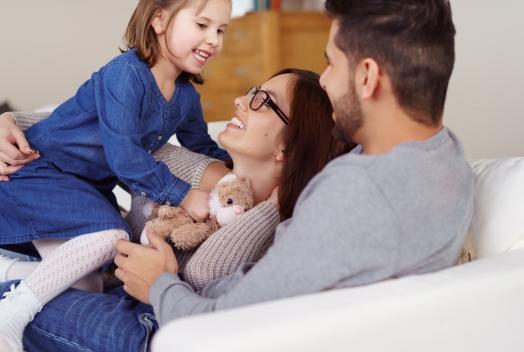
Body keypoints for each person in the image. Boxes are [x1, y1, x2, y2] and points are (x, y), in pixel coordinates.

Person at [0, 0, 475, 351]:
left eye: (331, 63)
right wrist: (15, 124)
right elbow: (137, 139)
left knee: (31, 297)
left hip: (170, 328)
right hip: (173, 302)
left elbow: (224, 319)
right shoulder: (445, 161)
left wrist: (160, 284)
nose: (326, 83)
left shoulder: (354, 192)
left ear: (368, 77)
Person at [0, 67, 352, 351]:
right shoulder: (202, 170)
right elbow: (115, 140)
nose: (241, 101)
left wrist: (273, 207)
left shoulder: (281, 227)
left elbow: (203, 272)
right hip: (121, 285)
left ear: (288, 149)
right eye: (252, 90)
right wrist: (13, 123)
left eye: (263, 101)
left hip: (162, 322)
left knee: (18, 295)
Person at [0, 0, 234, 350]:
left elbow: (201, 145)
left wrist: (236, 176)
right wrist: (184, 194)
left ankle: (11, 275)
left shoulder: (185, 96)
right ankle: (11, 313)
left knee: (86, 288)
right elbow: (124, 156)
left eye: (220, 31)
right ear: (158, 20)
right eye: (202, 25)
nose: (213, 39)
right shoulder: (126, 75)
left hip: (82, 188)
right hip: (41, 171)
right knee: (111, 236)